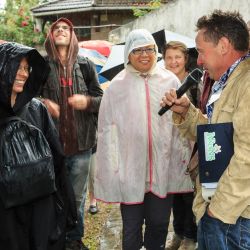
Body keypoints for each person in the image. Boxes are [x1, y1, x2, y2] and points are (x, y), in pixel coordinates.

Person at [94, 29, 194, 250]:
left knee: (159, 224)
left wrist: (181, 162)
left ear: (156, 51)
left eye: (149, 49)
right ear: (128, 54)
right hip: (131, 170)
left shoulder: (169, 80)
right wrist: (112, 168)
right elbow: (107, 132)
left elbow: (181, 127)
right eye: (137, 50)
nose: (144, 54)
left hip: (161, 168)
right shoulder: (117, 87)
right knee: (131, 226)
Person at [160, 10, 250, 249]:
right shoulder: (229, 80)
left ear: (223, 45)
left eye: (200, 51)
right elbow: (217, 137)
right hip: (223, 210)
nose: (198, 60)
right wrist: (186, 112)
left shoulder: (247, 83)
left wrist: (216, 211)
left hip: (233, 217)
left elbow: (247, 157)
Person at [0, 42, 76, 250]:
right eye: (17, 66)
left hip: (41, 205)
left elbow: (57, 158)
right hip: (7, 212)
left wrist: (67, 205)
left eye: (27, 68)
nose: (23, 73)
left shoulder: (36, 109)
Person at [39, 18, 103, 250]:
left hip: (81, 144)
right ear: (51, 36)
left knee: (77, 197)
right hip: (51, 145)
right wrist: (43, 102)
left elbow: (101, 99)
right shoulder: (42, 65)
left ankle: (74, 239)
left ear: (73, 34)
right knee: (53, 195)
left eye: (66, 28)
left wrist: (86, 101)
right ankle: (55, 239)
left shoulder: (85, 65)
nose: (61, 31)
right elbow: (29, 97)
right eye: (56, 29)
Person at [163, 41, 200, 250]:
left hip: (191, 143)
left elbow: (199, 110)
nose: (173, 61)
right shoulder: (161, 81)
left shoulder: (194, 81)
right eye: (169, 57)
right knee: (174, 194)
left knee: (189, 195)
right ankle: (177, 233)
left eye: (177, 57)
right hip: (170, 146)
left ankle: (190, 237)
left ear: (185, 58)